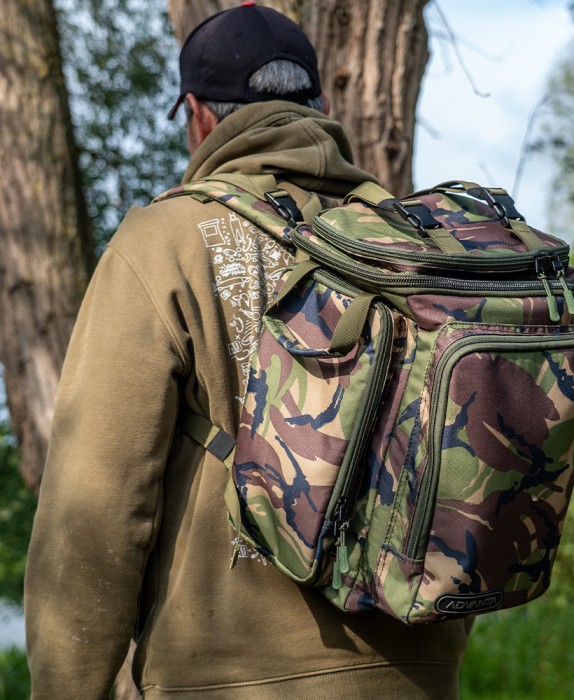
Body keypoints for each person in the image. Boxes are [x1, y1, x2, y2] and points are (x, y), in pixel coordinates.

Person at [24, 4, 472, 698]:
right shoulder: (418, 245)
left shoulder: (166, 240)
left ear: (198, 116)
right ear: (322, 108)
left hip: (230, 679)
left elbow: (94, 510)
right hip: (419, 677)